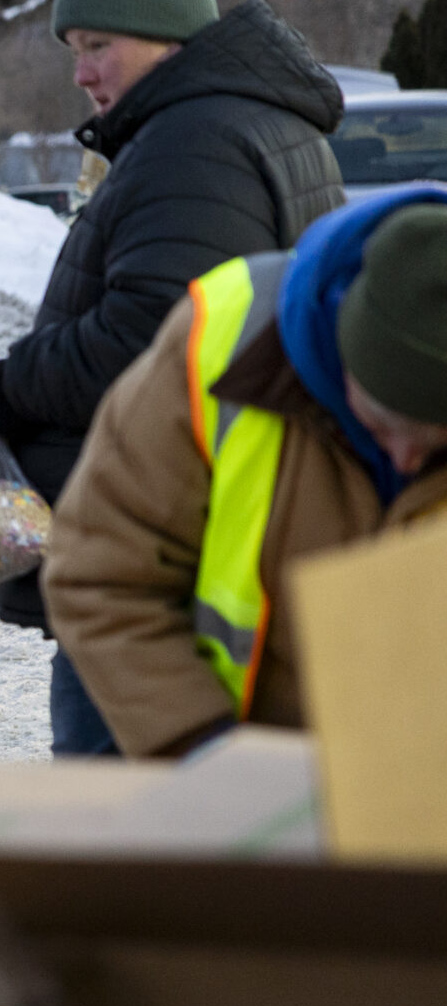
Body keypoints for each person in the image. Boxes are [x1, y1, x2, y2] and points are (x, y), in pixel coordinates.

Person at [0, 0, 344, 756]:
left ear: (169, 40)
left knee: (122, 824)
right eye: (72, 50)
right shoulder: (240, 124)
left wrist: (7, 386)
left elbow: (153, 337)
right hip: (225, 528)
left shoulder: (194, 142)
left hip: (165, 547)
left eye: (99, 45)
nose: (82, 71)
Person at [43, 193, 447, 755]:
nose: (406, 459)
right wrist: (204, 753)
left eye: (437, 445)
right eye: (380, 427)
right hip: (232, 772)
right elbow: (102, 574)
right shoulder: (221, 337)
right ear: (341, 354)